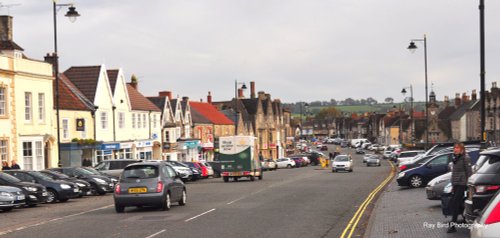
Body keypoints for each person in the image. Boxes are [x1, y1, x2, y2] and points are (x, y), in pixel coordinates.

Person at [447, 143, 472, 233]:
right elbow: (454, 173)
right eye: (454, 148)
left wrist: (468, 185)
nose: (455, 149)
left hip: (462, 184)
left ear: (462, 149)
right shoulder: (455, 158)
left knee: (455, 203)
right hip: (456, 184)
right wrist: (453, 185)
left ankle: (453, 225)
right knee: (458, 202)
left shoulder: (465, 158)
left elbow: (469, 173)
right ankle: (465, 218)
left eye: (457, 148)